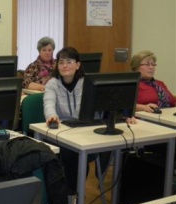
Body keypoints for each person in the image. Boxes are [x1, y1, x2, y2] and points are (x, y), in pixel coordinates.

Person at [43, 47, 137, 194]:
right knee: (72, 155)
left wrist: (124, 115)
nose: (65, 66)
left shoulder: (88, 82)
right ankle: (72, 196)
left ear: (78, 65)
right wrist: (51, 116)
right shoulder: (52, 84)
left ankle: (76, 195)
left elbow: (107, 103)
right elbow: (48, 103)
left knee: (110, 144)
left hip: (87, 130)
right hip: (63, 131)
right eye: (61, 62)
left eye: (69, 62)